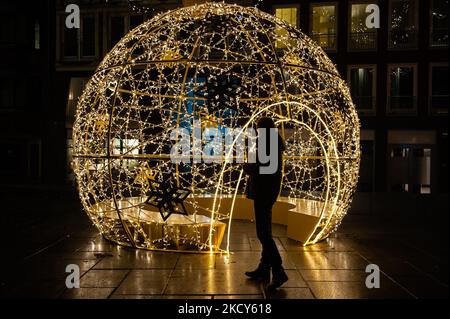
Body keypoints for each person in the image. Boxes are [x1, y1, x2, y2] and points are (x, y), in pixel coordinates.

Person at [243, 116, 288, 290]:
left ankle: (278, 272)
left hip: (263, 193)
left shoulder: (268, 144)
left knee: (263, 234)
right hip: (267, 192)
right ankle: (264, 268)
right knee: (265, 230)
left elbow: (260, 167)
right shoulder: (273, 143)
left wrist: (247, 167)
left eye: (258, 127)